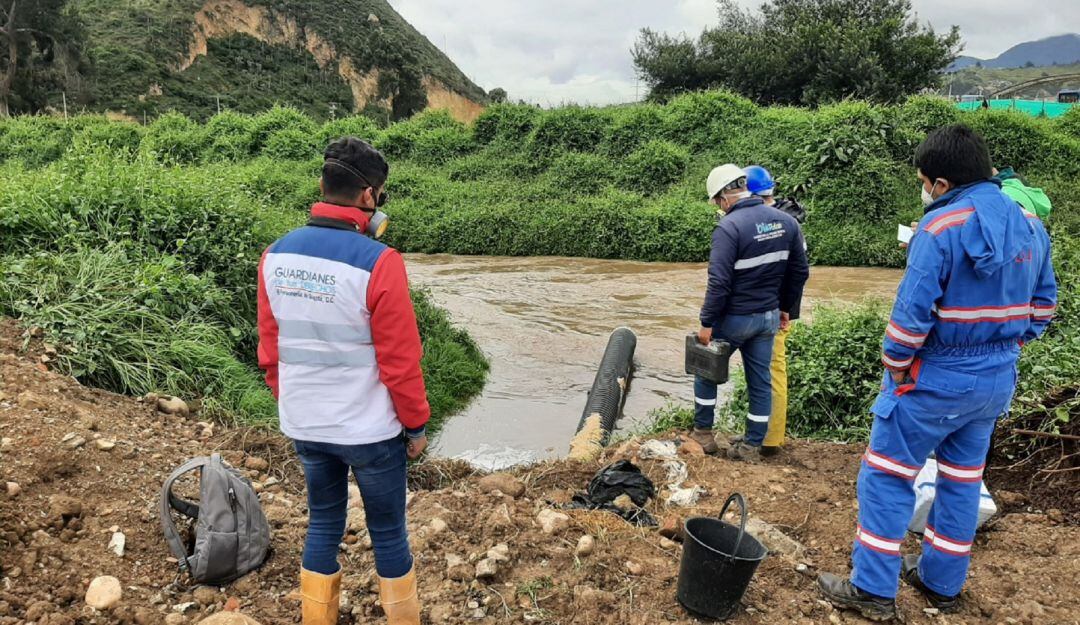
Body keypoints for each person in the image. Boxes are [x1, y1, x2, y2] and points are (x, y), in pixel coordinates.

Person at [817, 125, 1057, 621]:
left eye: (925, 181)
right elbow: (1044, 307)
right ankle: (941, 582)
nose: (924, 189)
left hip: (933, 377)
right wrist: (1005, 345)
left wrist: (898, 373)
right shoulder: (1032, 226)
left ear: (941, 184)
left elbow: (908, 322)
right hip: (995, 380)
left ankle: (873, 591)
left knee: (885, 477)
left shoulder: (939, 228)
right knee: (963, 479)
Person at [257, 137, 429, 625]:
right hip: (369, 431)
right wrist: (415, 426)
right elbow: (400, 361)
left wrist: (293, 403)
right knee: (389, 532)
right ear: (369, 198)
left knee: (324, 523)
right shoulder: (380, 262)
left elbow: (270, 350)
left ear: (321, 185)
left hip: (306, 424)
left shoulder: (276, 256)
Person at [692, 164, 810, 460]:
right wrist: (786, 309)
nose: (718, 207)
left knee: (705, 371)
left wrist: (706, 323)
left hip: (734, 319)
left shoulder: (729, 228)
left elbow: (719, 282)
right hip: (767, 318)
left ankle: (703, 436)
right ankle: (751, 447)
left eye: (717, 202)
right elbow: (800, 272)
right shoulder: (786, 222)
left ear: (724, 197)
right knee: (761, 383)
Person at [744, 165, 808, 456]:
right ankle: (761, 433)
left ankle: (769, 441)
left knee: (771, 371)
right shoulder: (784, 219)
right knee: (765, 370)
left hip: (772, 311)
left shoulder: (776, 223)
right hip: (771, 308)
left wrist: (783, 310)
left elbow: (796, 272)